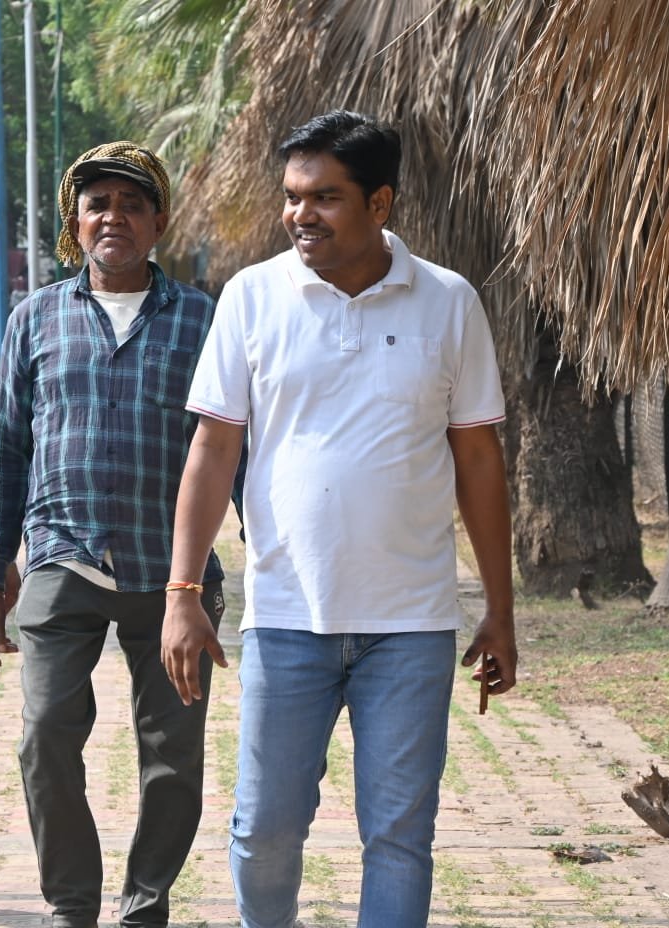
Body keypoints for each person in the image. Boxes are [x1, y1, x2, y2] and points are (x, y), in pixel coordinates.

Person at [161, 110, 517, 928]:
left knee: (398, 835)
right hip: (287, 616)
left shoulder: (448, 302)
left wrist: (499, 611)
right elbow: (213, 449)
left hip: (412, 625)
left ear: (379, 203)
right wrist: (183, 592)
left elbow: (478, 461)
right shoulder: (252, 296)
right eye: (292, 196)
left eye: (324, 197)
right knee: (264, 830)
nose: (300, 214)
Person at [0, 141, 230, 928]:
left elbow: (233, 447)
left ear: (158, 222)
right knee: (44, 736)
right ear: (75, 223)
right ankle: (71, 905)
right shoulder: (35, 318)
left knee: (173, 754)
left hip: (174, 572)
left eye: (131, 204)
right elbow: (4, 448)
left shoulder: (204, 320)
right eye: (97, 205)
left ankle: (145, 904)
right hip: (63, 558)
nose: (113, 217)